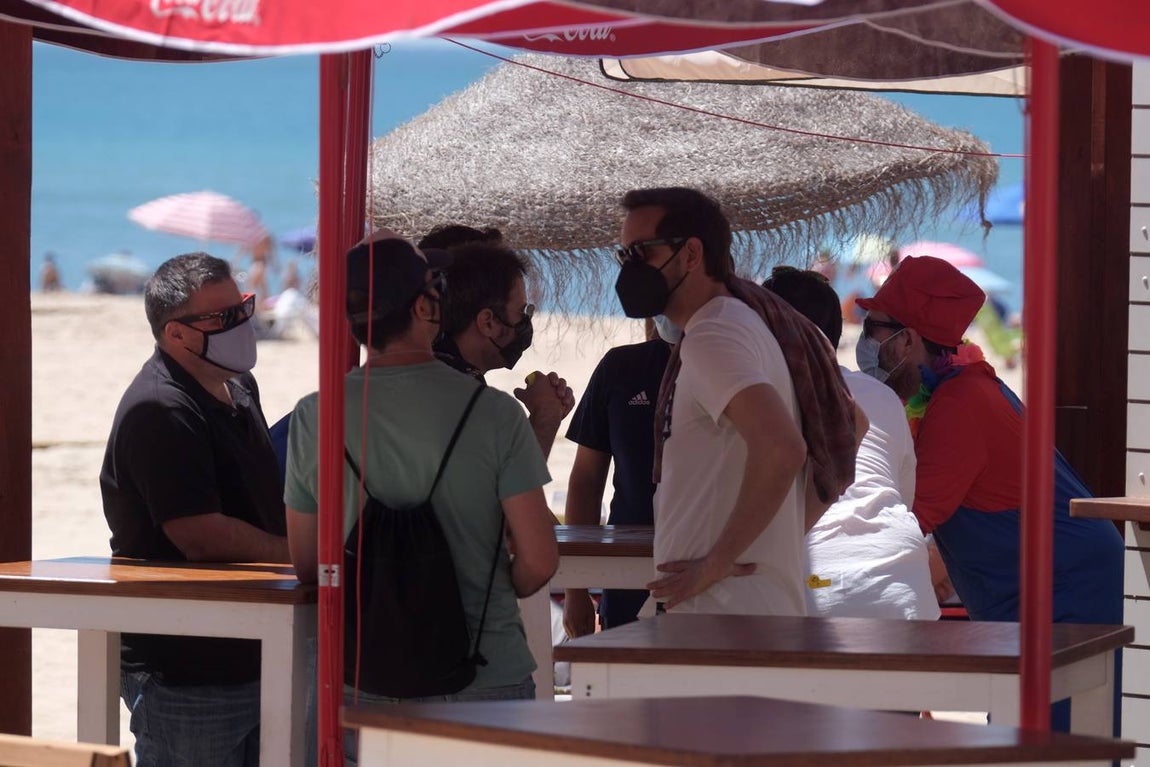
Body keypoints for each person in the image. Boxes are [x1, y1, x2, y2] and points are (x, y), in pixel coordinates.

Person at [283, 232, 558, 759]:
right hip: (484, 673)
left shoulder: (315, 415)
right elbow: (541, 562)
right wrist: (494, 584)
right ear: (426, 307)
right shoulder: (494, 413)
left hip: (362, 676)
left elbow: (305, 562)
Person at [854, 255, 1124, 728]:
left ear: (909, 339)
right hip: (1043, 590)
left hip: (1068, 594)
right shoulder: (959, 390)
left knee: (1051, 746)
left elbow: (908, 523)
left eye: (872, 326)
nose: (863, 338)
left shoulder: (960, 406)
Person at [615, 187, 860, 615]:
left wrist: (718, 562)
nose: (630, 268)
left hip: (719, 614)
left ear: (691, 254)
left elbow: (783, 448)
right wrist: (771, 543)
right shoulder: (742, 321)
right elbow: (851, 423)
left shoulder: (714, 334)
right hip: (732, 608)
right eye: (623, 256)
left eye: (640, 252)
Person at [99, 252, 288, 767]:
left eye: (243, 307)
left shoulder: (240, 386)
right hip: (187, 665)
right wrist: (296, 554)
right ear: (176, 334)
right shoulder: (160, 408)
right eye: (223, 317)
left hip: (257, 648)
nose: (242, 324)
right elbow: (200, 534)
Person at [763, 266, 938, 621]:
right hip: (905, 584)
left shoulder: (761, 400)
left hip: (817, 579)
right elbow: (903, 497)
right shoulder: (882, 396)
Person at [562, 319, 672, 637]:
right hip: (627, 578)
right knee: (626, 685)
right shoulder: (622, 366)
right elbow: (585, 480)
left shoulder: (735, 365)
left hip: (715, 576)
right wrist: (576, 590)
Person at [433, 240, 574, 458]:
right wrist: (546, 414)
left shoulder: (433, 371)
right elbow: (508, 489)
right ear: (488, 322)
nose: (526, 321)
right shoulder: (463, 394)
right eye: (523, 311)